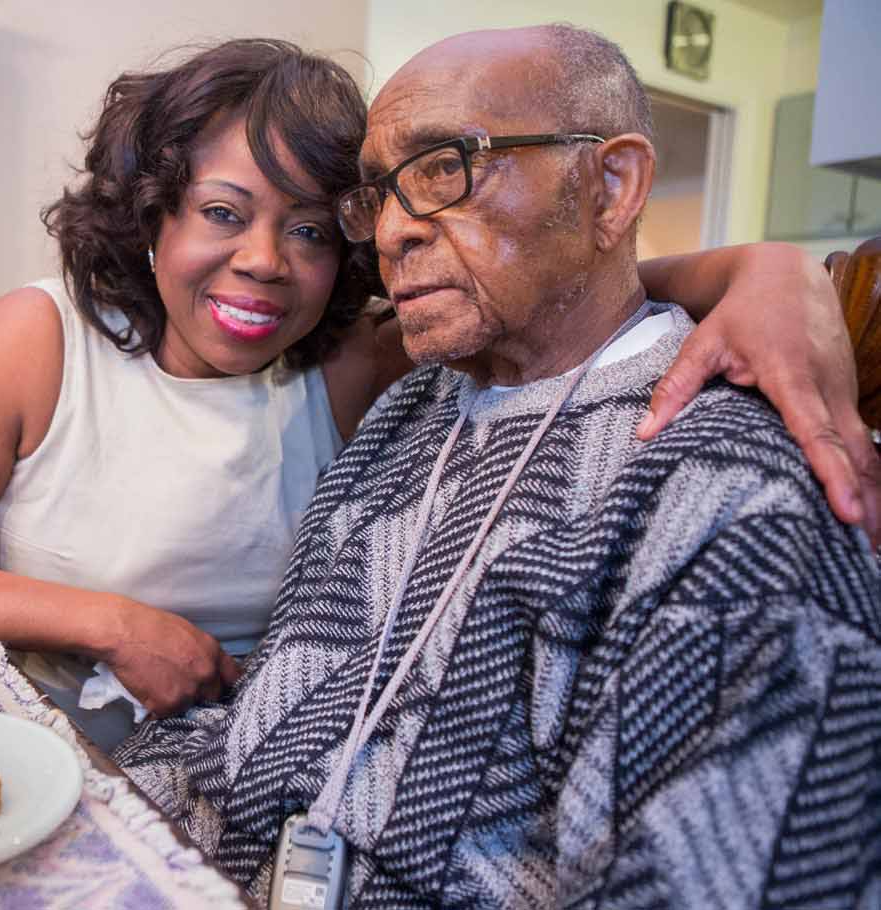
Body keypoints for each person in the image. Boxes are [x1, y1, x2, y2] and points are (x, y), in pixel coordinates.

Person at [0, 38, 878, 751]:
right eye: (223, 213)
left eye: (312, 229)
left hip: (238, 755)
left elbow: (554, 297)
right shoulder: (39, 340)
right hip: (44, 734)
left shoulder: (348, 361)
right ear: (154, 215)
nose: (265, 261)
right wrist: (113, 622)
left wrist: (767, 273)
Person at [114, 25, 881, 907]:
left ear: (611, 186)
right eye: (376, 195)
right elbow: (270, 713)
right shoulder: (415, 401)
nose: (394, 231)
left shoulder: (722, 490)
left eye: (444, 167)